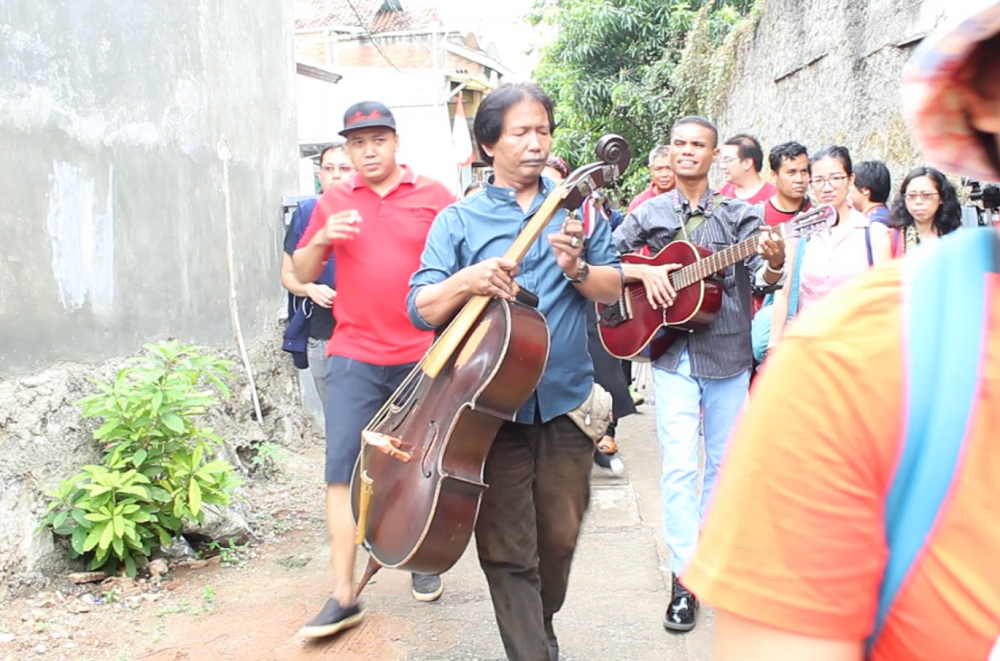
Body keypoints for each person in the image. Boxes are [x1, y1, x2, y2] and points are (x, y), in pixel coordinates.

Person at [683, 2, 1000, 659]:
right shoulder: (850, 363)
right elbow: (786, 284)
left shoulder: (875, 236)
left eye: (827, 177)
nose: (817, 186)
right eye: (807, 176)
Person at [408, 83, 623, 661]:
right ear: (488, 144)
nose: (535, 143)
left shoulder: (578, 209)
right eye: (521, 132)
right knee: (507, 552)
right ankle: (533, 650)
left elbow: (612, 285)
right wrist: (467, 280)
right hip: (485, 414)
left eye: (543, 131)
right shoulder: (459, 221)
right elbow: (421, 304)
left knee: (557, 541)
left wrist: (577, 268)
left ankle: (537, 627)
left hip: (563, 403)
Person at [612, 115, 786, 634]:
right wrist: (645, 272)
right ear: (670, 151)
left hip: (727, 350)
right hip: (670, 354)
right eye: (680, 144)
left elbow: (763, 275)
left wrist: (775, 264)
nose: (688, 152)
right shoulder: (650, 212)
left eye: (699, 145)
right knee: (679, 467)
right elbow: (611, 261)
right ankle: (684, 577)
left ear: (715, 157)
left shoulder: (738, 215)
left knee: (724, 466)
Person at [293, 100, 456, 638]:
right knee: (341, 470)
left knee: (421, 466)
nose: (367, 151)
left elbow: (460, 265)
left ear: (395, 141)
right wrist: (321, 238)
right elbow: (300, 270)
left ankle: (423, 559)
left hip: (422, 355)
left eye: (377, 140)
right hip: (354, 353)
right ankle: (343, 593)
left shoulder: (434, 197)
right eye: (357, 142)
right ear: (347, 148)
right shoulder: (333, 201)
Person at [768, 145, 892, 347]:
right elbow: (784, 292)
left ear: (851, 180)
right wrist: (773, 345)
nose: (827, 187)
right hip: (807, 347)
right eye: (819, 180)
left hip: (857, 348)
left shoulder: (874, 234)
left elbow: (884, 302)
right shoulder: (799, 233)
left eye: (836, 178)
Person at [280, 144, 356, 405]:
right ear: (319, 175)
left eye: (345, 169)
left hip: (365, 337)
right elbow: (288, 275)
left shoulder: (373, 214)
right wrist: (309, 289)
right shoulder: (306, 213)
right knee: (335, 420)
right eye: (329, 169)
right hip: (323, 334)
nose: (336, 175)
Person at [887, 165, 963, 255]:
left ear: (941, 198)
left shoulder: (956, 237)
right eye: (912, 196)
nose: (918, 201)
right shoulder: (892, 237)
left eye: (926, 195)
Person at [758, 141, 811, 228]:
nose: (800, 179)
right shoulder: (759, 215)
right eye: (791, 172)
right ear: (774, 176)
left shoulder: (819, 210)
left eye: (804, 171)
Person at [718, 134, 776, 204]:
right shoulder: (718, 197)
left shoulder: (777, 197)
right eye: (722, 160)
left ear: (747, 163)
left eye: (727, 160)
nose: (722, 166)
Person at [628, 145, 675, 212]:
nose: (664, 174)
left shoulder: (687, 197)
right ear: (651, 170)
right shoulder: (639, 203)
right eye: (658, 169)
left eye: (669, 168)